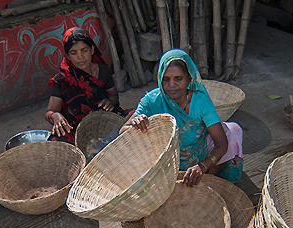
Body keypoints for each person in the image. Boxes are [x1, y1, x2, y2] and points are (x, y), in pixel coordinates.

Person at [121, 49, 244, 187]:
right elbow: (122, 133)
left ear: (189, 78)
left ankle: (204, 180)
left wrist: (202, 167)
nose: (172, 85)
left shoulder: (200, 101)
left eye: (178, 78)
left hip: (198, 152)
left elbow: (221, 143)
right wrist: (135, 123)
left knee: (233, 132)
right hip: (163, 159)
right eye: (166, 79)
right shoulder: (151, 101)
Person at [45, 27, 129, 143]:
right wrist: (55, 116)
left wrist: (111, 102)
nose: (80, 56)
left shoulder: (103, 70)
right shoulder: (62, 79)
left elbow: (113, 95)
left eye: (84, 50)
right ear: (68, 56)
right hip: (77, 127)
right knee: (55, 144)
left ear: (92, 50)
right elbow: (50, 111)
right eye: (74, 53)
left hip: (104, 119)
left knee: (136, 116)